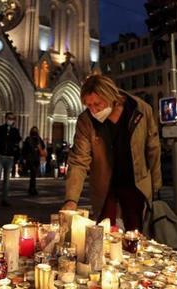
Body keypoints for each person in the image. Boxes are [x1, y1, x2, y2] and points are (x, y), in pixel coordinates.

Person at [62, 74, 161, 232]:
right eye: (88, 105)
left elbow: (153, 150)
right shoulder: (86, 121)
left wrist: (156, 189)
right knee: (105, 234)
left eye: (97, 104)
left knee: (134, 235)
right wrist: (71, 199)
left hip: (135, 185)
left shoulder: (140, 110)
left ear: (111, 97)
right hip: (105, 186)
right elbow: (79, 160)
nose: (93, 110)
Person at [0, 112, 21, 206]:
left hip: (9, 157)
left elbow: (17, 145)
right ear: (6, 119)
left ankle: (5, 199)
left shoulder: (15, 131)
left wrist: (17, 158)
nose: (11, 120)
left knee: (7, 180)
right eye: (9, 118)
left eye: (13, 118)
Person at [21, 126, 45, 196]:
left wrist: (39, 147)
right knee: (33, 173)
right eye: (34, 130)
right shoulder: (28, 139)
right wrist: (24, 158)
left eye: (36, 130)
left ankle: (32, 188)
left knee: (34, 174)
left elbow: (43, 146)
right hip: (30, 158)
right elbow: (24, 149)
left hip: (36, 158)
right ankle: (32, 189)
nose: (35, 132)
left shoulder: (39, 139)